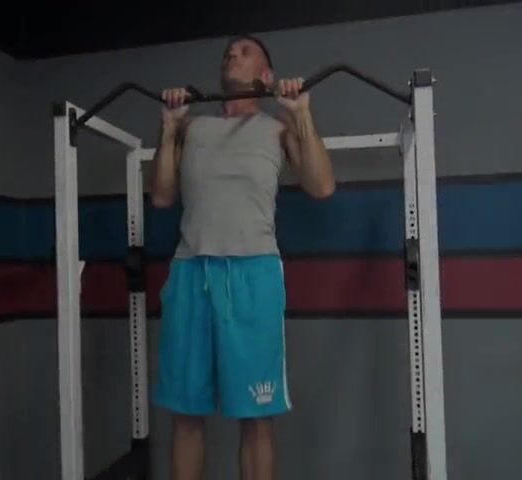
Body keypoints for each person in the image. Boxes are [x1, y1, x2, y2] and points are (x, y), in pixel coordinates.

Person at [149, 34, 335, 480]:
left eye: (244, 51)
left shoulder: (278, 128)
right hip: (191, 273)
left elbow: (321, 185)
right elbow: (161, 196)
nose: (232, 54)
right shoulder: (193, 127)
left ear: (266, 76)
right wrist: (169, 125)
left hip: (253, 275)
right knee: (185, 415)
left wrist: (301, 112)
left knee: (256, 418)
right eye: (228, 52)